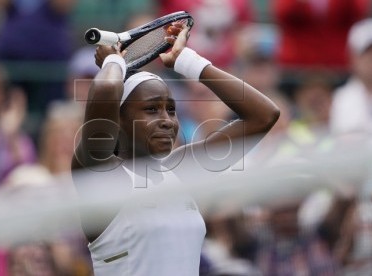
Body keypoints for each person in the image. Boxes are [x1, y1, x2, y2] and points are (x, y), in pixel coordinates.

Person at [71, 22, 279, 275]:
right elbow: (105, 90)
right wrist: (112, 62)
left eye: (171, 109)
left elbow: (264, 116)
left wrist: (186, 61)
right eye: (151, 109)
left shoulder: (181, 171)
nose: (167, 121)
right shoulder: (100, 172)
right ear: (117, 120)